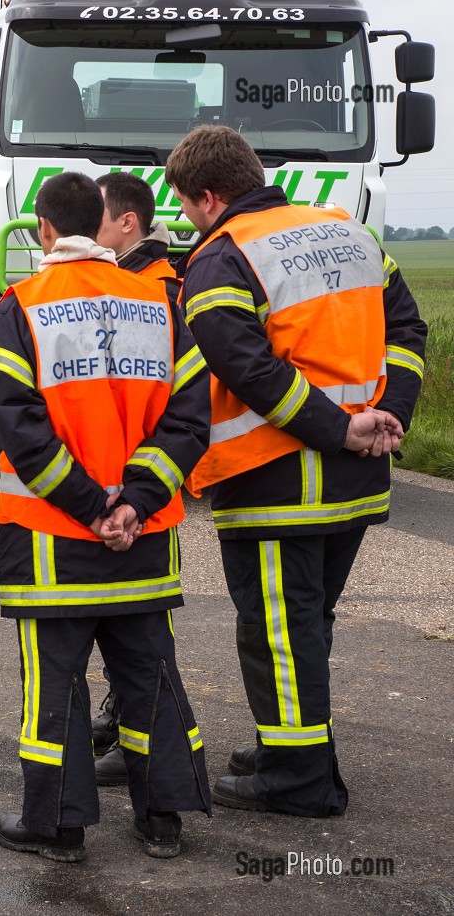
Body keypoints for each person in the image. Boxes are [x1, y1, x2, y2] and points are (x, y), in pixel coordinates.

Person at [165, 126, 426, 817]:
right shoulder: (348, 231)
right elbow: (408, 330)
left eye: (189, 207)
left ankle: (301, 779)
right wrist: (388, 414)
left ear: (211, 196)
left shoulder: (223, 257)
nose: (189, 221)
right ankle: (290, 747)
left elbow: (245, 366)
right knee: (306, 621)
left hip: (278, 478)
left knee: (277, 627)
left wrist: (337, 427)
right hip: (360, 475)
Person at [0, 171, 212, 862]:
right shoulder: (163, 304)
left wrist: (93, 505)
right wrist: (134, 501)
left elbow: (20, 430)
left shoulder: (17, 309)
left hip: (55, 540)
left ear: (44, 229)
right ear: (106, 221)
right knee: (151, 674)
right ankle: (163, 818)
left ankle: (58, 826)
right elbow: (189, 420)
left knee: (56, 685)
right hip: (143, 539)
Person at [90, 171, 181, 784]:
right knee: (133, 625)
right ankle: (123, 718)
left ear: (129, 223)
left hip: (143, 482)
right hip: (138, 482)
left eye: (98, 215)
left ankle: (138, 740)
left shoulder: (155, 289)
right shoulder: (137, 281)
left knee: (145, 633)